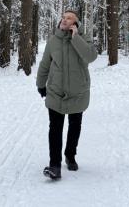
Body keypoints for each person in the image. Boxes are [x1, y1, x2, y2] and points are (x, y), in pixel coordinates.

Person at [35, 10, 97, 180]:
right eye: (63, 17)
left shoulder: (84, 38)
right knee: (55, 128)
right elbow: (45, 64)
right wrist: (41, 84)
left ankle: (70, 155)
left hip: (79, 91)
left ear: (76, 23)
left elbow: (90, 56)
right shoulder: (53, 40)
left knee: (74, 126)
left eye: (69, 17)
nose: (64, 19)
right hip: (56, 91)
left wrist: (75, 37)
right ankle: (55, 165)